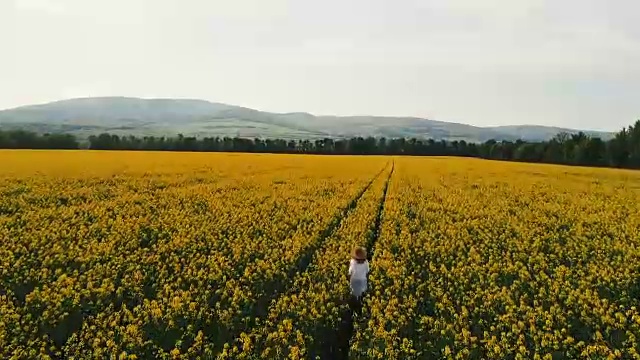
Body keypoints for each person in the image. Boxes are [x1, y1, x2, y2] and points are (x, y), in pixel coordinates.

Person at [348, 246, 370, 315]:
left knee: (354, 294)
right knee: (362, 295)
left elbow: (350, 272)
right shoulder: (366, 262)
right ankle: (360, 309)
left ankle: (355, 308)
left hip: (354, 281)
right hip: (362, 281)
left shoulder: (352, 262)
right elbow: (367, 272)